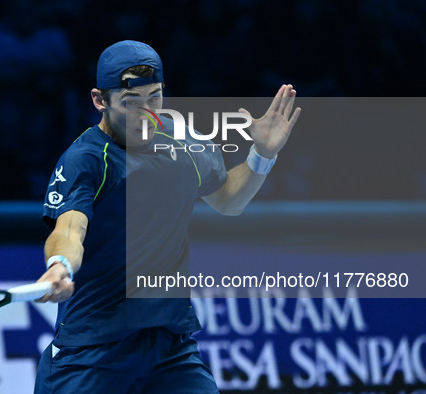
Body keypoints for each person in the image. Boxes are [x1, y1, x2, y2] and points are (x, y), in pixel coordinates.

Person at [34, 40, 300, 393]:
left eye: (154, 97)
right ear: (100, 100)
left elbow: (229, 200)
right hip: (91, 351)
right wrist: (59, 266)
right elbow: (70, 229)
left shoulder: (185, 144)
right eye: (131, 102)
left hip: (169, 348)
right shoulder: (85, 160)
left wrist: (262, 155)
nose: (146, 112)